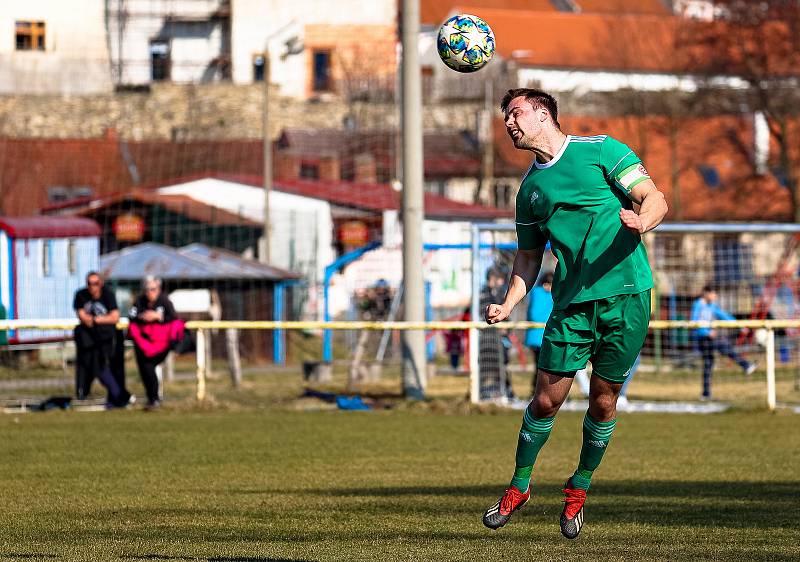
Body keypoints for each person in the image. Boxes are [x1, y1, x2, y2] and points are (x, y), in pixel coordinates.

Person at [482, 88, 668, 539]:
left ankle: (578, 488)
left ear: (543, 114)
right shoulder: (529, 190)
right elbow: (527, 259)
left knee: (604, 401)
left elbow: (655, 196)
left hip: (627, 298)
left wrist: (643, 220)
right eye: (506, 116)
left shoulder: (602, 151)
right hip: (571, 306)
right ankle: (519, 487)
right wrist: (508, 303)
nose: (509, 122)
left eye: (516, 113)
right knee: (546, 399)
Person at [73, 272, 133, 408]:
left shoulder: (108, 294)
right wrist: (99, 320)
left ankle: (119, 397)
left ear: (101, 284)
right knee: (94, 368)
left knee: (109, 369)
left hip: (107, 338)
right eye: (89, 283)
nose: (92, 286)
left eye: (95, 283)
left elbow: (114, 316)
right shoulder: (81, 295)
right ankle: (121, 396)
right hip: (88, 340)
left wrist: (96, 320)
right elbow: (82, 317)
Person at [691, 285, 757, 400]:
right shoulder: (698, 305)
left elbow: (725, 316)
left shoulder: (712, 306)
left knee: (708, 364)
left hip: (710, 338)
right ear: (706, 293)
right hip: (703, 338)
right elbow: (693, 322)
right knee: (724, 348)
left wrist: (740, 326)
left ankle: (705, 394)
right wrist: (706, 332)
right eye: (713, 293)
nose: (715, 296)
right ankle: (746, 365)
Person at [128, 276, 178, 410]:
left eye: (153, 289)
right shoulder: (139, 301)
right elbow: (131, 316)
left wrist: (158, 316)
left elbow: (174, 319)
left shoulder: (165, 301)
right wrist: (143, 316)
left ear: (159, 289)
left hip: (161, 343)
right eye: (147, 289)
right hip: (144, 343)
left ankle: (154, 399)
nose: (150, 292)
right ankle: (152, 399)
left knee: (149, 367)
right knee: (145, 370)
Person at [479, 267, 514, 400]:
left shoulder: (500, 293)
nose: (501, 282)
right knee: (486, 366)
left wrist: (506, 328)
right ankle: (479, 391)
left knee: (503, 364)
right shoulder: (483, 294)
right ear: (492, 278)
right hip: (487, 339)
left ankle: (507, 391)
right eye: (498, 279)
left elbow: (506, 313)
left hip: (501, 339)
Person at [525, 272, 553, 394]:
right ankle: (538, 391)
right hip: (539, 337)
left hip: (538, 336)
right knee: (541, 366)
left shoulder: (536, 294)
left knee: (541, 366)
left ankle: (537, 390)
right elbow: (535, 315)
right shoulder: (541, 294)